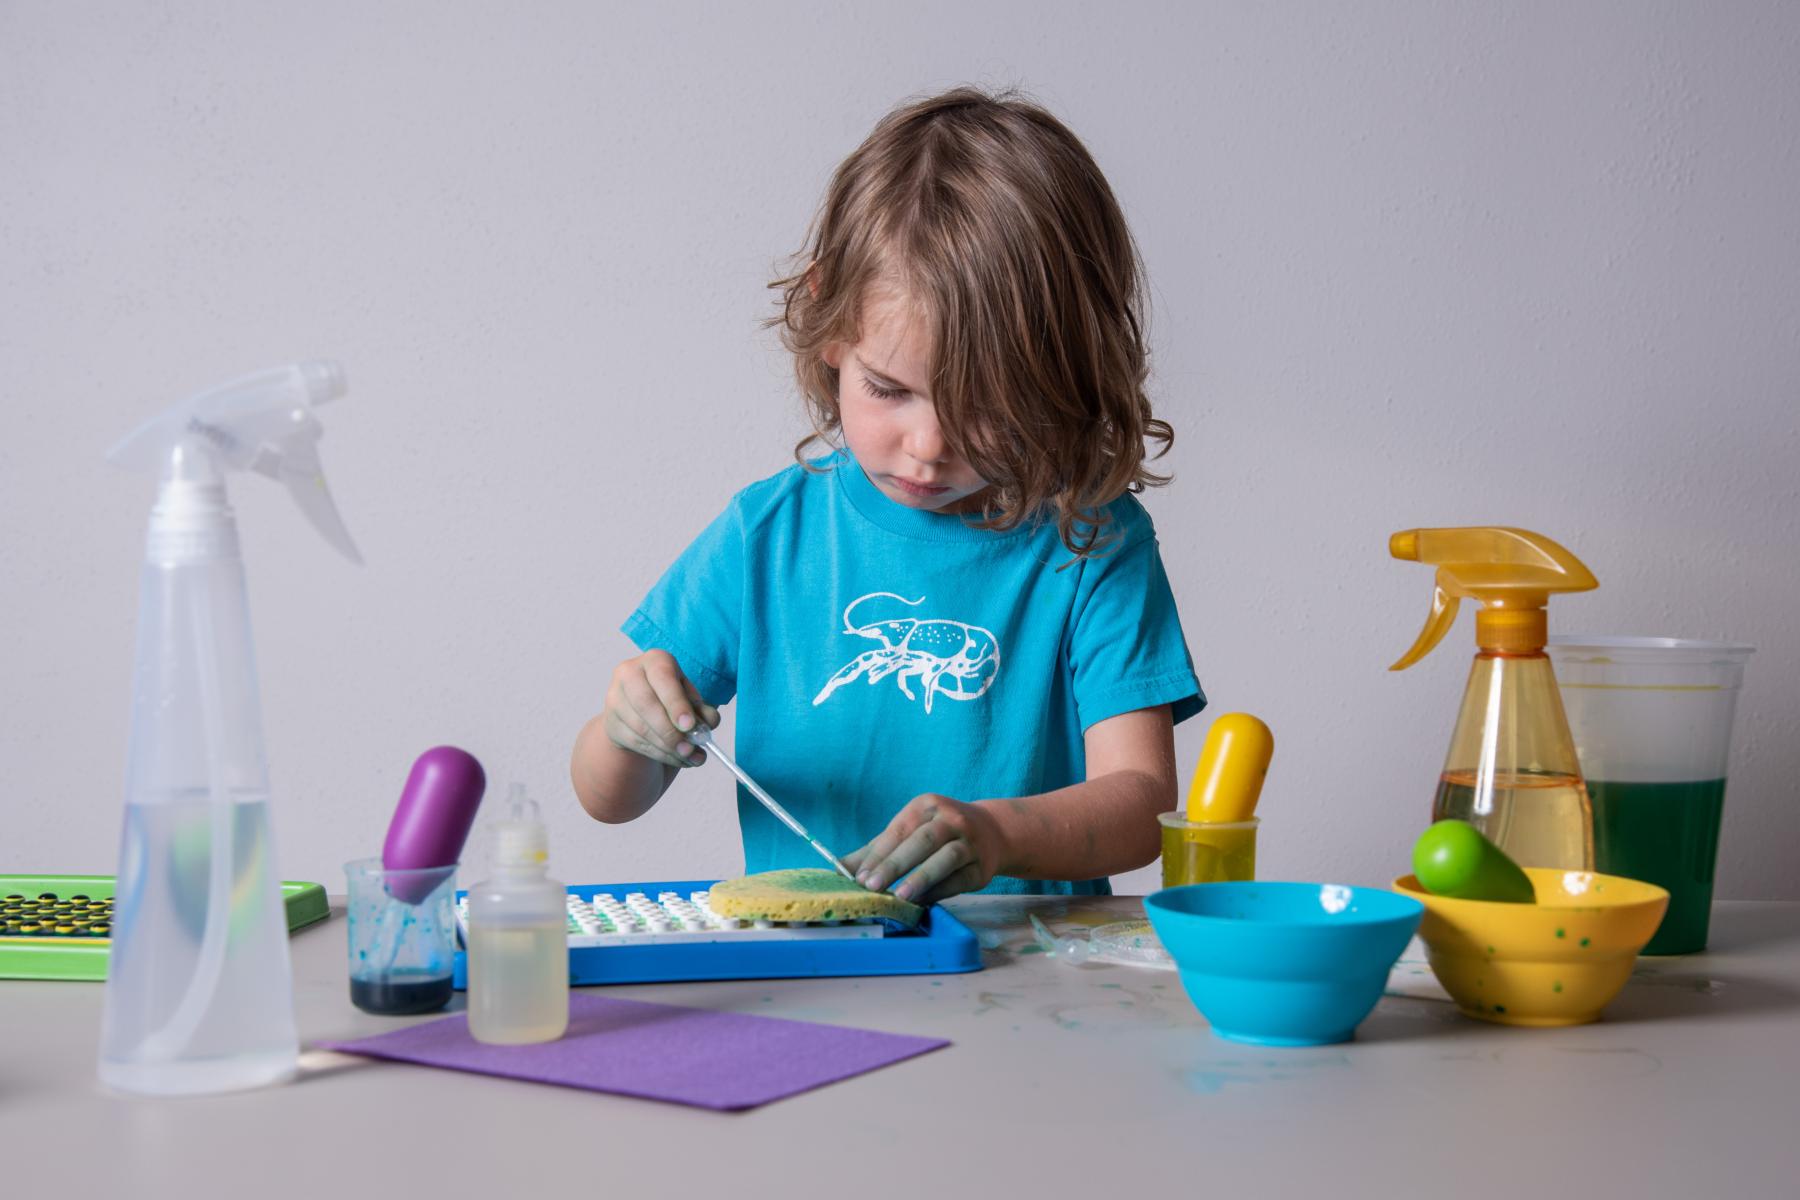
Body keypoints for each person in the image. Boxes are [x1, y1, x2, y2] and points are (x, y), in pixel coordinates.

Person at [571, 86, 1203, 904]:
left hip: (1027, 988)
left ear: (1061, 378)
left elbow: (1144, 806)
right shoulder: (768, 536)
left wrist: (999, 834)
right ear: (830, 321)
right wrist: (629, 734)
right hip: (814, 979)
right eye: (889, 389)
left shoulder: (1094, 541)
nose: (930, 447)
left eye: (989, 407)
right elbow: (606, 799)